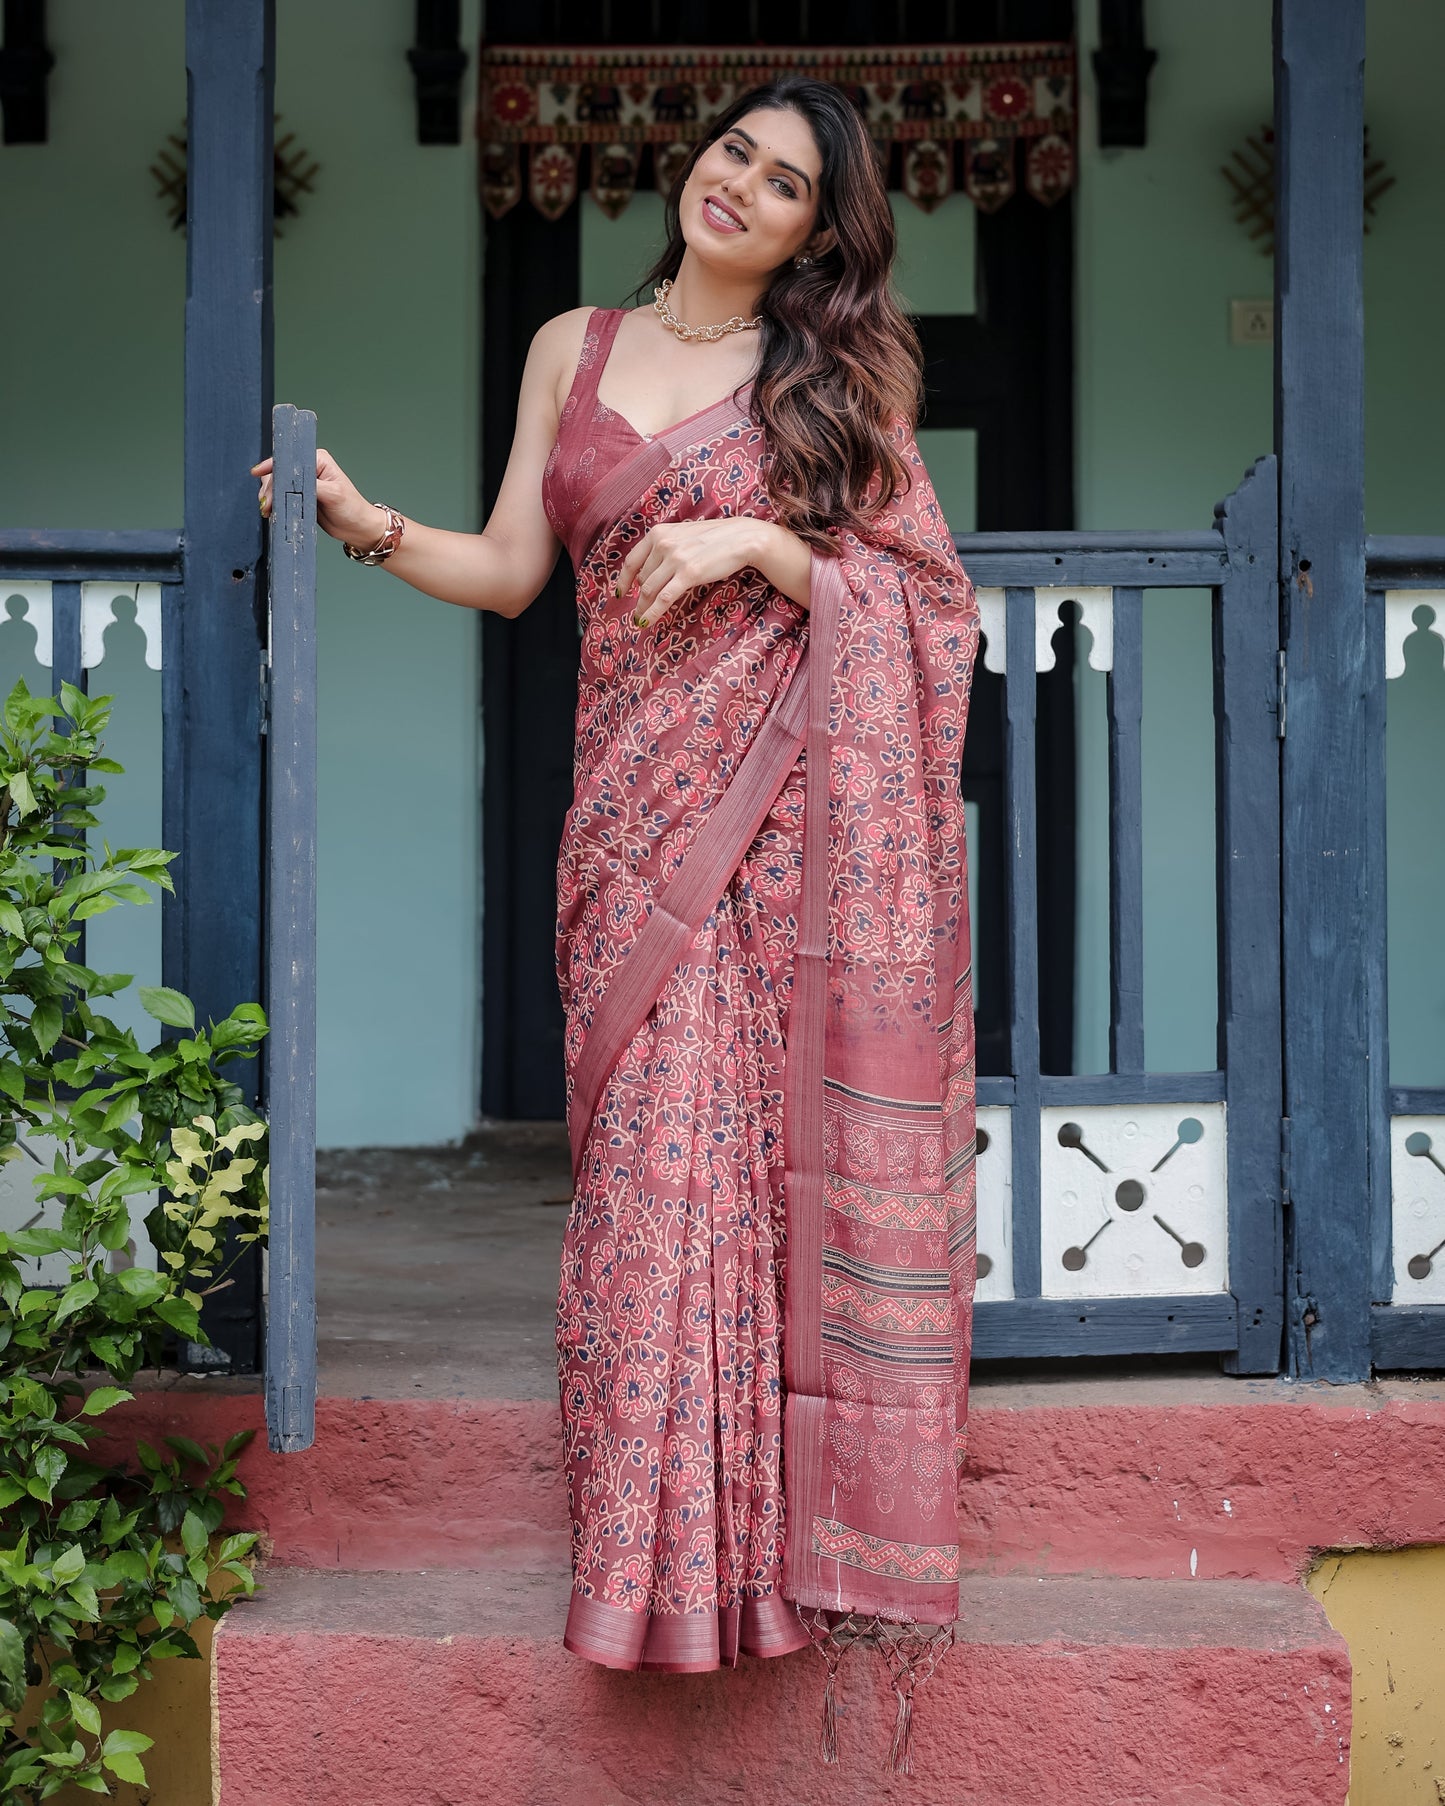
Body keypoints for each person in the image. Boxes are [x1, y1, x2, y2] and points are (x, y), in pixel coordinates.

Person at [252, 74, 981, 1773]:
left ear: (817, 232)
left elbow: (928, 605)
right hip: (624, 837)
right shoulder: (569, 346)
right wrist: (367, 528)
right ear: (693, 158)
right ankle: (659, 1564)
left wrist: (762, 540)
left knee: (712, 1180)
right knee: (645, 1185)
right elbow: (517, 567)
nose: (740, 186)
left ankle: (733, 1573)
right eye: (734, 149)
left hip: (772, 852)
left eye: (785, 182)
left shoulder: (837, 382)